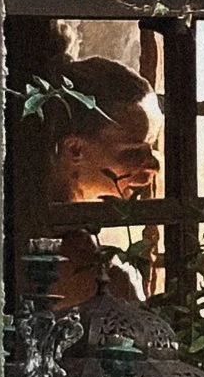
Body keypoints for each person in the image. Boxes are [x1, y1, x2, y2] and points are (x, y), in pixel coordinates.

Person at [36, 48, 165, 305]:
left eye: (151, 148)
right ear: (75, 149)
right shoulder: (94, 276)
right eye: (132, 153)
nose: (153, 166)